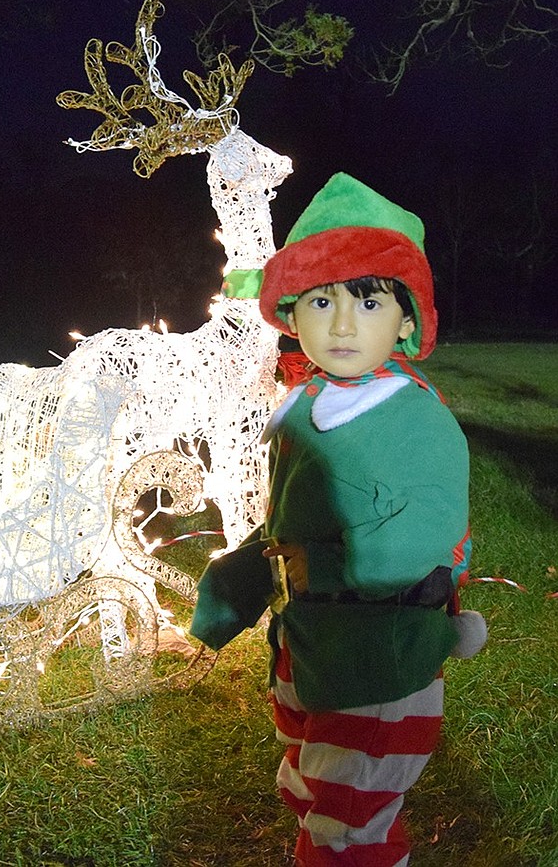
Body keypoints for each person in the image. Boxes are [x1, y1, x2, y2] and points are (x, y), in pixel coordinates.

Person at [190, 172, 485, 865]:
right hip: (314, 647)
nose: (343, 323)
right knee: (313, 786)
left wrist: (311, 562)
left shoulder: (413, 420)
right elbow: (284, 525)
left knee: (349, 823)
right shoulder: (308, 407)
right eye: (321, 300)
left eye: (369, 299)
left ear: (406, 320)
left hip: (377, 662)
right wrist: (231, 594)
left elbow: (419, 541)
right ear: (294, 319)